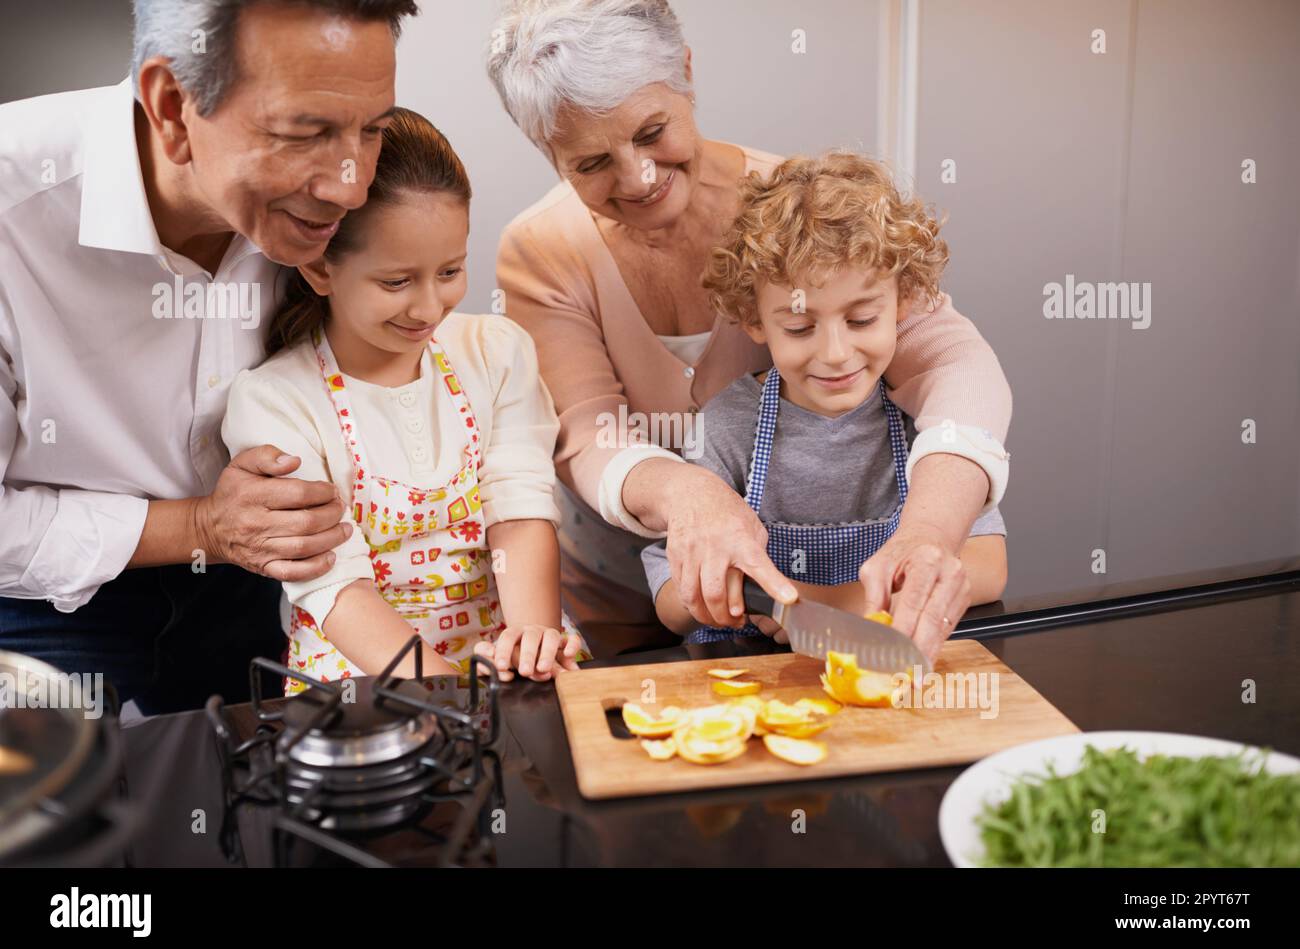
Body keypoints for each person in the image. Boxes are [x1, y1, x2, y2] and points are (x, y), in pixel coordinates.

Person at [488, 0, 1013, 661]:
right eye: (591, 163)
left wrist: (929, 533)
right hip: (618, 593)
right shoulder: (541, 249)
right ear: (547, 151)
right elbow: (588, 433)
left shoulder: (797, 212)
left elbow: (955, 364)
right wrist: (688, 493)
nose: (637, 177)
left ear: (685, 72)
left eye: (652, 132)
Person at [0, 0, 420, 713]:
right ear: (171, 105)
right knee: (69, 815)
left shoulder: (334, 199)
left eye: (370, 130)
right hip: (44, 598)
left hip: (254, 579)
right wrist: (199, 526)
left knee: (256, 808)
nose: (350, 185)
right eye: (304, 133)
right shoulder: (14, 204)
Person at [223, 109, 589, 694]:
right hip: (361, 680)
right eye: (396, 282)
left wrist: (532, 638)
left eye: (450, 270)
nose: (427, 307)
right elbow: (336, 587)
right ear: (320, 267)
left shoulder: (495, 351)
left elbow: (518, 507)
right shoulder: (275, 401)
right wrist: (451, 697)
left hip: (500, 660)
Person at [642, 152, 1007, 642]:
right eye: (799, 327)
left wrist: (833, 609)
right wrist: (723, 593)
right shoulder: (729, 425)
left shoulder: (918, 415)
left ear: (903, 303)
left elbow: (987, 562)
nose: (836, 354)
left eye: (861, 320)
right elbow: (669, 591)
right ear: (754, 319)